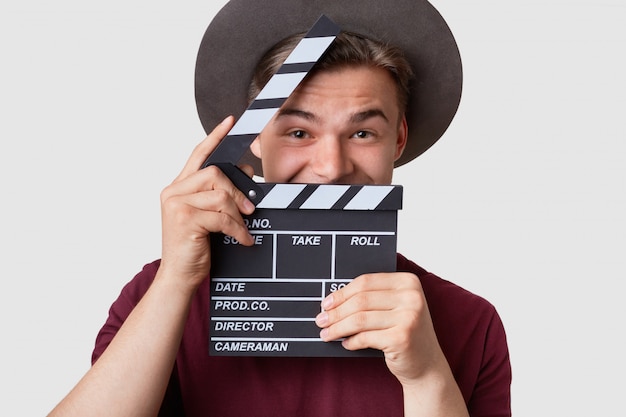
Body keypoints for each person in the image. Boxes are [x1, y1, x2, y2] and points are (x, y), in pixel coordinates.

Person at [48, 1, 511, 416]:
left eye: (362, 133)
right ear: (254, 142)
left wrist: (427, 376)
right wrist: (175, 281)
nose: (330, 167)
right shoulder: (158, 296)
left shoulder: (468, 322)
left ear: (399, 140)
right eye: (297, 132)